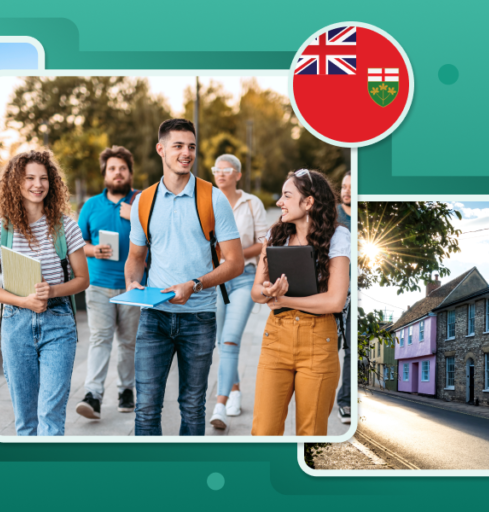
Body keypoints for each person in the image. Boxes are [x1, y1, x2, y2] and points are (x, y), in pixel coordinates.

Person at [125, 118, 244, 436]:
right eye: (178, 146)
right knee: (146, 408)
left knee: (192, 407)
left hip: (199, 318)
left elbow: (235, 263)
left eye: (191, 146)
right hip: (154, 317)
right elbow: (135, 258)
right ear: (161, 149)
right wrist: (132, 284)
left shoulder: (213, 198)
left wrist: (195, 285)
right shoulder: (144, 201)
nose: (186, 153)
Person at [0, 149, 89, 436]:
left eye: (43, 178)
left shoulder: (66, 227)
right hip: (16, 324)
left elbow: (83, 279)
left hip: (58, 322)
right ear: (16, 182)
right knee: (26, 422)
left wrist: (52, 290)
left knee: (50, 418)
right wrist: (23, 300)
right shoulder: (1, 230)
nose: (37, 184)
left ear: (52, 182)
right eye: (30, 178)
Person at [250, 169, 350, 436]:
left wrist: (284, 299)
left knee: (311, 435)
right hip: (276, 339)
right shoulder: (275, 235)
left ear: (308, 202)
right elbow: (256, 292)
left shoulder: (338, 237)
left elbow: (335, 301)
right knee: (263, 432)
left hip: (318, 343)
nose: (279, 202)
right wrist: (269, 291)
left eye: (286, 195)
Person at [74, 146, 141, 420]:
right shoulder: (91, 206)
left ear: (130, 173)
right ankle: (93, 395)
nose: (118, 173)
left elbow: (159, 236)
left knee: (128, 342)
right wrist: (93, 250)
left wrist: (135, 215)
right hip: (99, 285)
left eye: (122, 168)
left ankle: (126, 390)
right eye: (112, 168)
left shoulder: (141, 203)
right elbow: (77, 244)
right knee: (100, 339)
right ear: (105, 174)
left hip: (133, 286)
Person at [208, 153, 268, 429]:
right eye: (217, 169)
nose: (220, 174)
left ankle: (219, 405)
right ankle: (234, 390)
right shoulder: (207, 201)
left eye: (227, 170)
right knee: (221, 341)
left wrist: (235, 255)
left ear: (238, 175)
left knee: (230, 339)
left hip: (244, 278)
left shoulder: (251, 203)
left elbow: (263, 242)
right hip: (216, 279)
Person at [336, 169, 352, 424]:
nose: (347, 191)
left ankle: (345, 400)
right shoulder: (332, 215)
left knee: (351, 350)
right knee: (331, 347)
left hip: (356, 295)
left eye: (352, 186)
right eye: (343, 186)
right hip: (334, 291)